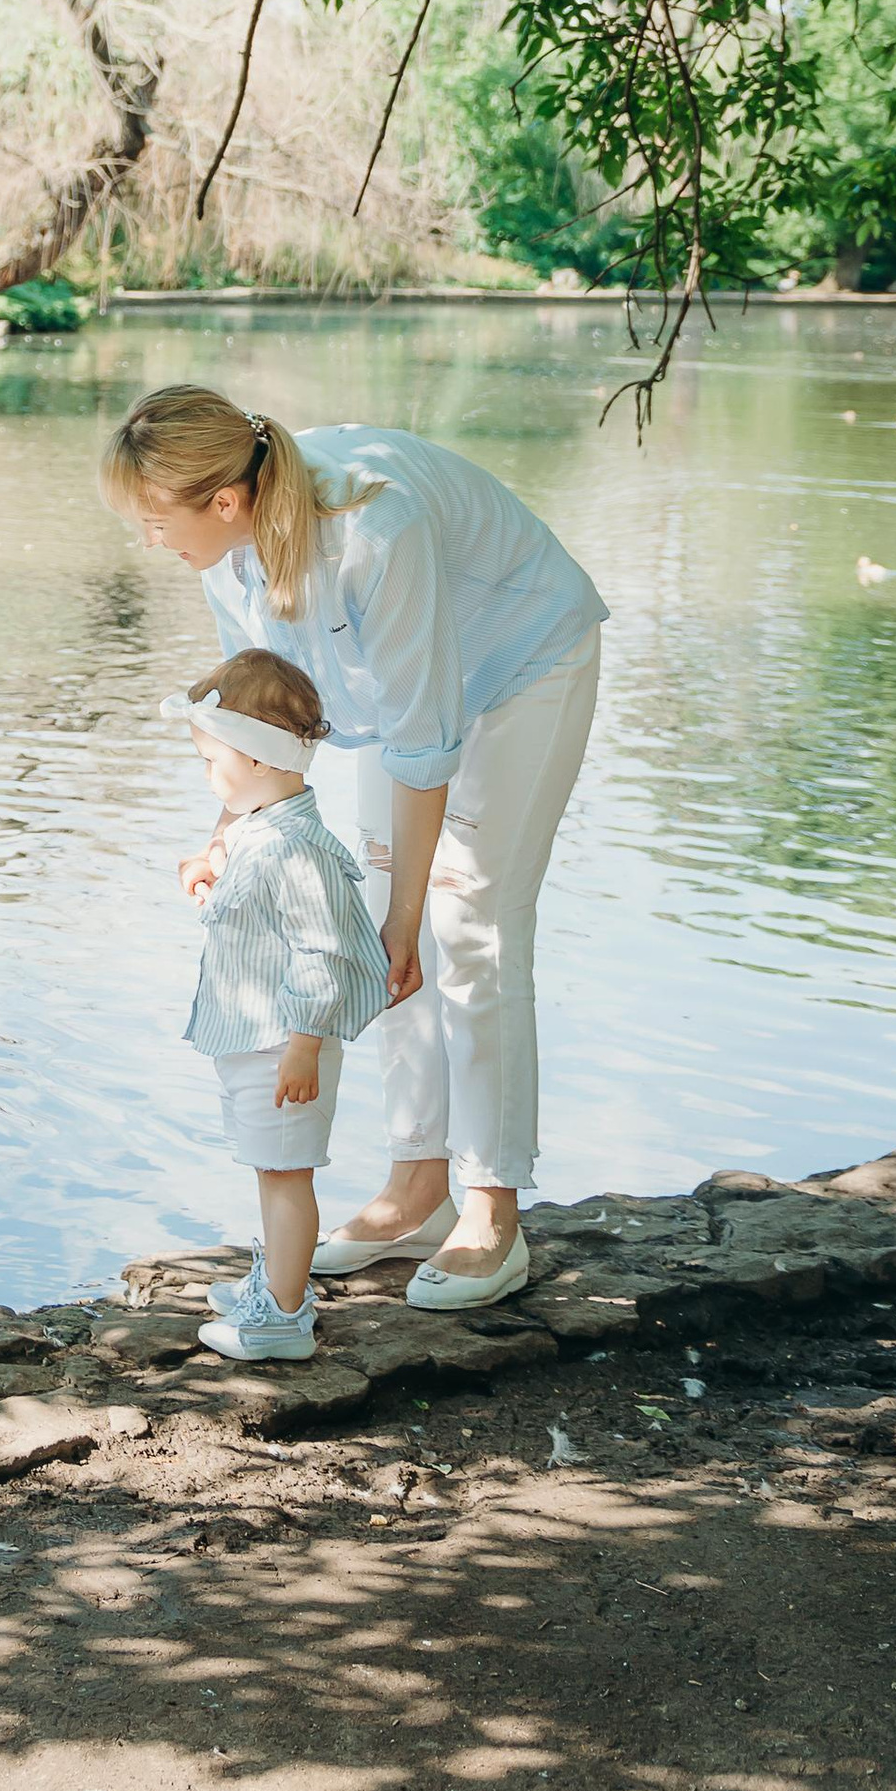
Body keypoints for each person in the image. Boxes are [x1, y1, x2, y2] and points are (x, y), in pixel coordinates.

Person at [106, 383, 607, 1307]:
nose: (147, 539)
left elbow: (425, 738)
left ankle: (492, 1210)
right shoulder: (226, 558)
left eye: (152, 518)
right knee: (378, 937)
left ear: (223, 498)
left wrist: (411, 911)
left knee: (470, 922)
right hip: (412, 701)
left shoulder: (377, 527)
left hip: (523, 663)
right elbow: (255, 721)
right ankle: (416, 1186)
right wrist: (225, 836)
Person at [167, 650, 392, 1362]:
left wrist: (304, 1044)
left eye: (212, 761)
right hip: (255, 1035)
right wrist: (208, 866)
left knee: (287, 1173)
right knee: (270, 1168)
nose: (207, 776)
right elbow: (243, 891)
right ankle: (277, 1277)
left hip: (284, 1042)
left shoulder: (299, 850)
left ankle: (284, 1317)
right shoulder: (258, 826)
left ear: (259, 759)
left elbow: (320, 952)